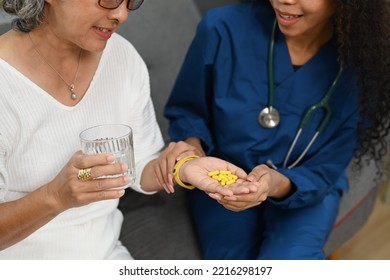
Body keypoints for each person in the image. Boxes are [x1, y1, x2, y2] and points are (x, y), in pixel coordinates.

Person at [0, 0, 244, 259]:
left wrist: (181, 167)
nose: (122, 15)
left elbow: (138, 166)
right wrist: (56, 196)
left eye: (130, 2)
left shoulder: (121, 56)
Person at [161, 0, 390, 259]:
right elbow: (188, 111)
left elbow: (327, 168)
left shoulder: (367, 65)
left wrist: (274, 183)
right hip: (224, 177)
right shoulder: (222, 28)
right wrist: (195, 157)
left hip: (308, 184)